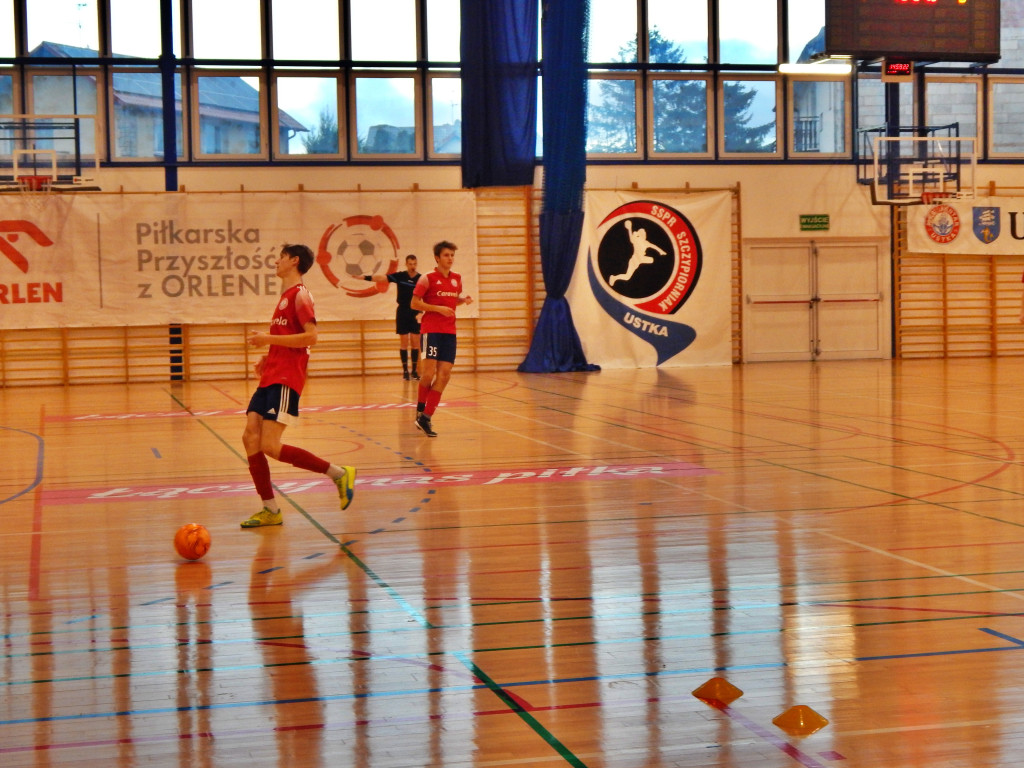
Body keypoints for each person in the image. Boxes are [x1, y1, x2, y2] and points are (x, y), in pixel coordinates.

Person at [241, 243, 356, 528]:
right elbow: (289, 338)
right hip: (272, 374)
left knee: (269, 444)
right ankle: (270, 509)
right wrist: (268, 355)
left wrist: (268, 340)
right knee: (249, 437)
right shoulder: (284, 297)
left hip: (286, 378)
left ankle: (338, 474)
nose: (276, 262)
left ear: (293, 261)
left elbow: (311, 337)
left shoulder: (300, 295)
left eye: (280, 257)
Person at [410, 240, 473, 437]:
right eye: (446, 255)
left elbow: (451, 301)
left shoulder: (457, 278)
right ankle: (420, 408)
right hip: (431, 330)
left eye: (452, 255)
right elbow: (414, 303)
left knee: (445, 374)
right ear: (437, 258)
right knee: (428, 373)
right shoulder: (427, 278)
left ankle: (426, 417)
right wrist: (437, 309)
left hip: (449, 332)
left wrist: (462, 301)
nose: (450, 259)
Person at [367, 254, 421, 379]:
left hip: (416, 311)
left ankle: (414, 371)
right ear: (406, 264)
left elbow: (426, 295)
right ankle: (405, 371)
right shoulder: (401, 276)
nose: (412, 266)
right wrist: (366, 277)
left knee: (415, 343)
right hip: (402, 311)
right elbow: (382, 278)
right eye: (410, 264)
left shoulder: (421, 278)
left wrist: (421, 312)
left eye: (414, 264)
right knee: (403, 343)